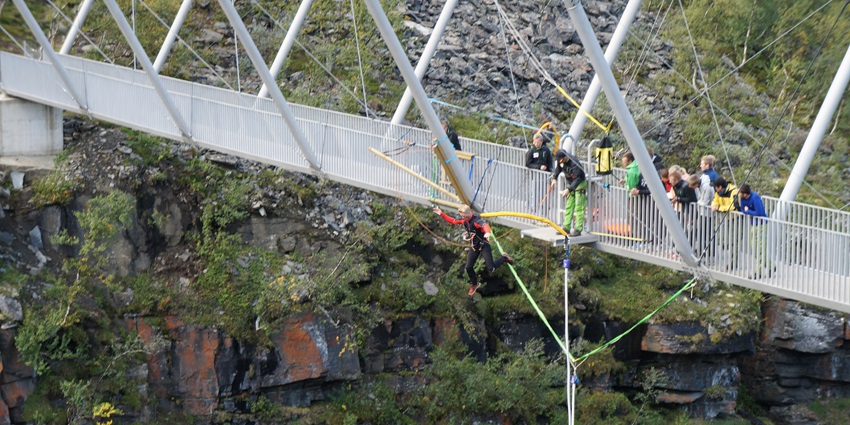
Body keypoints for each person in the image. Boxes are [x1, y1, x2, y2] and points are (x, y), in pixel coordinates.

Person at [432, 205, 515, 296]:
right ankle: (474, 284)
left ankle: (504, 258)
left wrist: (487, 232)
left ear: (469, 213)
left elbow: (485, 225)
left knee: (491, 268)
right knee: (468, 267)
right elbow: (453, 221)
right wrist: (441, 213)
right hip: (474, 246)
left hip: (483, 246)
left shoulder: (476, 221)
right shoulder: (465, 220)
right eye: (462, 216)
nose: (463, 218)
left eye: (464, 216)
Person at [548, 149, 587, 237]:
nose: (559, 161)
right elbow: (558, 169)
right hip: (570, 184)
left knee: (579, 207)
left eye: (561, 160)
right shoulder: (561, 161)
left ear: (565, 157)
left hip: (579, 184)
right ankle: (566, 227)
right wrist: (555, 178)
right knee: (569, 206)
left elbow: (578, 178)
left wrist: (569, 190)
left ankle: (578, 229)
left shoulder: (574, 163)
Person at [738, 184, 772, 278]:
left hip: (761, 225)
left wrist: (748, 211)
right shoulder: (743, 199)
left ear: (745, 193)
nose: (739, 194)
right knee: (755, 248)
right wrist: (746, 210)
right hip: (754, 225)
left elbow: (760, 213)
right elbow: (742, 209)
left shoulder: (755, 198)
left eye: (740, 193)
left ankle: (758, 272)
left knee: (760, 249)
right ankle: (771, 266)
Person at [711, 177, 740, 271]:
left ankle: (733, 262)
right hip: (726, 218)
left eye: (716, 187)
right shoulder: (718, 193)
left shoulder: (733, 191)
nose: (715, 189)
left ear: (720, 187)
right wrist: (714, 205)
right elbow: (715, 201)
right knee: (728, 240)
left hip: (736, 219)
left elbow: (733, 207)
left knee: (735, 241)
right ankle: (729, 255)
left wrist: (719, 208)